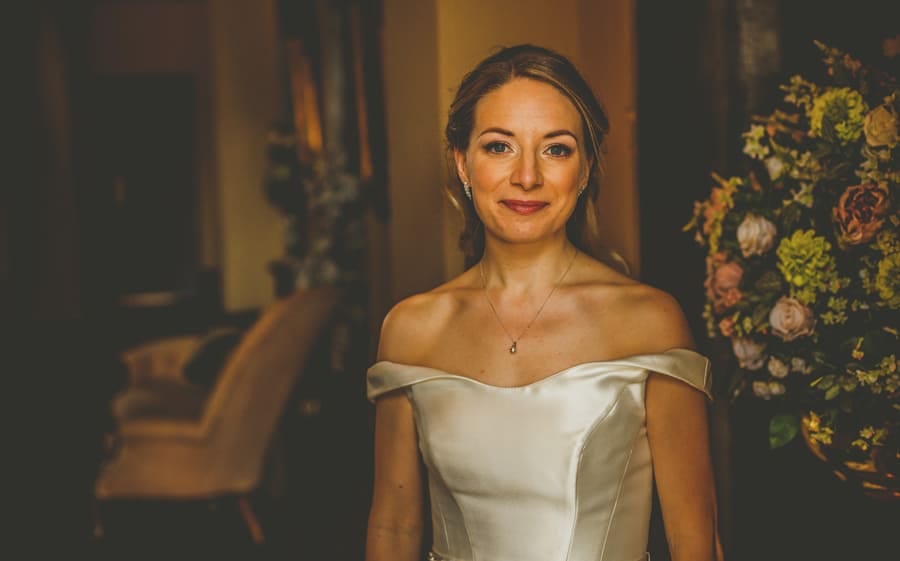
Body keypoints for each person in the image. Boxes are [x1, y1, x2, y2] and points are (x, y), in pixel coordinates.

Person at [365, 44, 724, 561]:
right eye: (499, 147)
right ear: (463, 164)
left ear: (585, 169)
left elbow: (695, 539)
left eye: (555, 149)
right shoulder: (412, 329)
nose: (527, 176)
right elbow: (394, 529)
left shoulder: (649, 322)